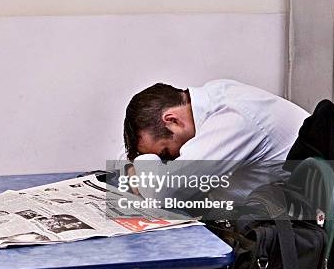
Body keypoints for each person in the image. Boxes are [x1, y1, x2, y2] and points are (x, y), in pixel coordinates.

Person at [122, 79, 308, 202]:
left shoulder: (232, 118)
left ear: (172, 121)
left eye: (165, 155)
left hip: (288, 233)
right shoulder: (213, 95)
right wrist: (138, 163)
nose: (168, 161)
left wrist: (139, 171)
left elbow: (163, 192)